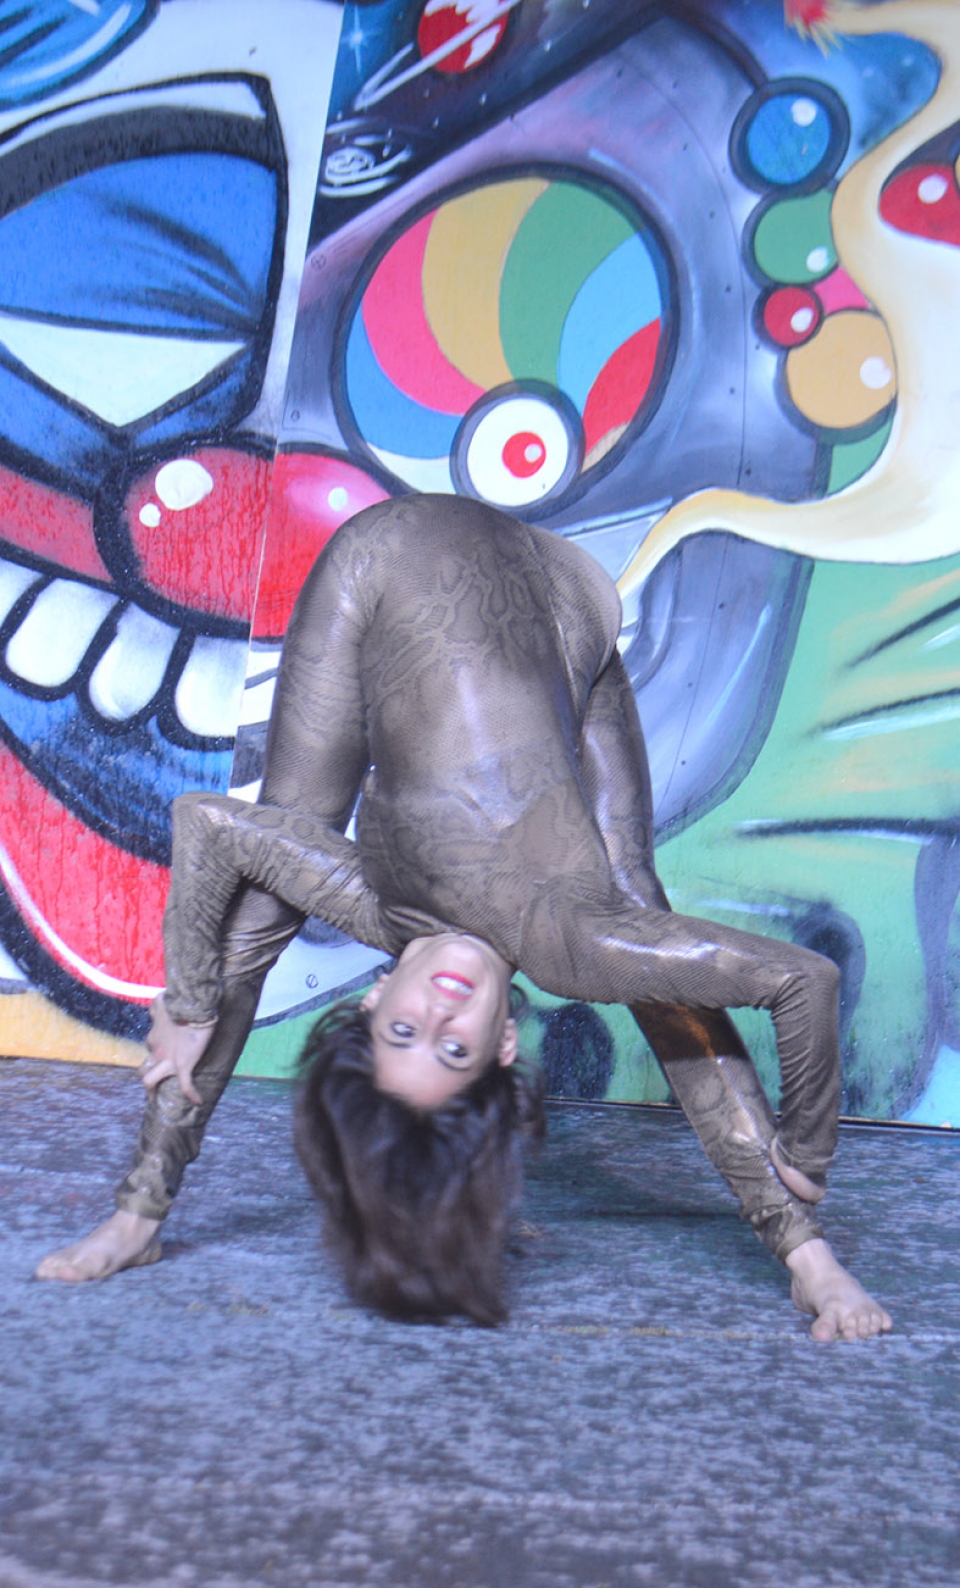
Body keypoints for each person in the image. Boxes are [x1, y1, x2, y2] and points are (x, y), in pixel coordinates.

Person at [37, 495, 891, 1340]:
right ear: (503, 1044)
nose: (440, 1014)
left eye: (405, 1032)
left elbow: (206, 823)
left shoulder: (372, 901)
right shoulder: (577, 942)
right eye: (454, 1051)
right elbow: (803, 982)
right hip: (565, 601)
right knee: (638, 914)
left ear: (374, 1000)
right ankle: (804, 1258)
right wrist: (804, 1168)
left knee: (271, 886)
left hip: (385, 558)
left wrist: (190, 1001)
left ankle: (139, 1209)